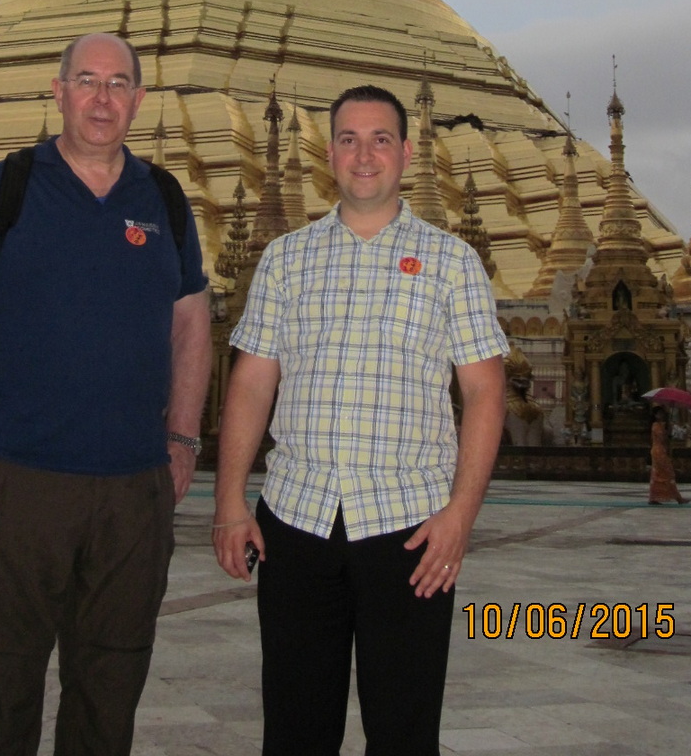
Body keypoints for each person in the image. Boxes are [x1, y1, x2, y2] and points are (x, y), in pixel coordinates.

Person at [0, 32, 211, 756]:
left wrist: (181, 437)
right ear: (58, 90)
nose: (102, 99)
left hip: (132, 490)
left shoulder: (164, 197)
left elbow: (194, 322)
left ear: (137, 100)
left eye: (117, 85)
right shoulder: (8, 186)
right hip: (18, 480)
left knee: (111, 686)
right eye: (86, 81)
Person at [213, 84, 508, 756]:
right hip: (296, 519)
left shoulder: (451, 263)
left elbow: (485, 395)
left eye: (380, 139)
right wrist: (230, 500)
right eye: (348, 139)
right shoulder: (286, 259)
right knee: (294, 731)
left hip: (409, 530)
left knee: (403, 734)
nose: (364, 154)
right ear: (330, 154)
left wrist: (460, 516)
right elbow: (253, 382)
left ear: (405, 153)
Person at [647, 406, 689, 505]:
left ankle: (655, 497)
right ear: (655, 415)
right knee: (665, 474)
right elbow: (662, 438)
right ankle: (677, 498)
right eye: (659, 413)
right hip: (658, 451)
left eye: (662, 413)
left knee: (662, 473)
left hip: (662, 450)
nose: (661, 415)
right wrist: (668, 432)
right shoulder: (656, 426)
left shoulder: (662, 425)